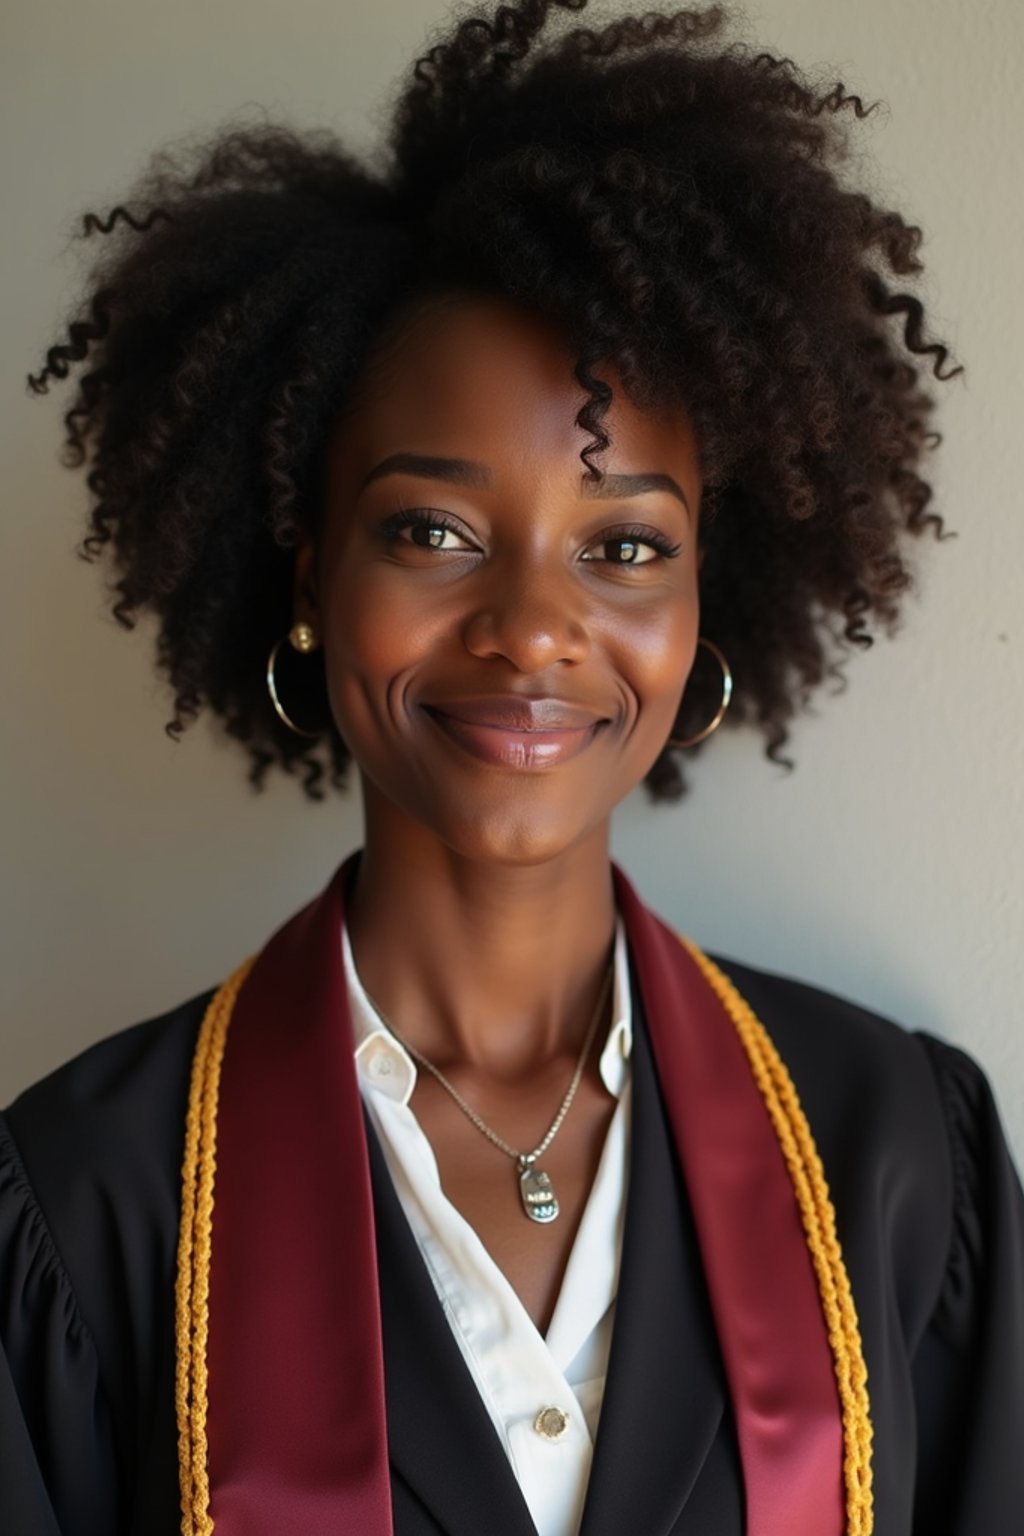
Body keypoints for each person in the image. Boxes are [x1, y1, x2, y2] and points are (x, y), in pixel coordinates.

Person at [2, 2, 1022, 1533]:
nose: (537, 629)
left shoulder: (889, 1155)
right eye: (433, 531)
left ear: (699, 614)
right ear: (307, 573)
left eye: (625, 547)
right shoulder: (88, 1203)